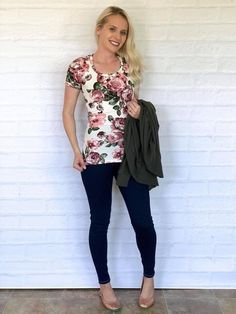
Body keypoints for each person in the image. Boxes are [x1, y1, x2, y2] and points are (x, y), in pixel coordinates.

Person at [62, 6, 156, 311]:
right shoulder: (78, 67)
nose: (118, 36)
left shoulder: (130, 66)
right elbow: (67, 112)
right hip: (95, 157)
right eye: (113, 29)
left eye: (123, 31)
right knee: (99, 221)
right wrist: (76, 151)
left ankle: (149, 278)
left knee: (142, 220)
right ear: (100, 29)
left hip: (131, 158)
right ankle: (105, 284)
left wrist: (140, 111)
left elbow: (137, 108)